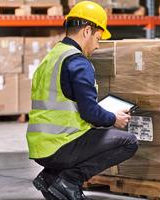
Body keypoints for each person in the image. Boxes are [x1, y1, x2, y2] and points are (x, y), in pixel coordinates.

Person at [26, 1, 139, 200]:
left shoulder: (52, 57)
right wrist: (114, 118)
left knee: (93, 133)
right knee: (128, 142)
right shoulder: (78, 62)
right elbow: (90, 114)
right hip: (60, 145)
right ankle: (69, 181)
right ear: (87, 31)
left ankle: (49, 177)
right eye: (98, 37)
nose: (97, 45)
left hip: (40, 145)